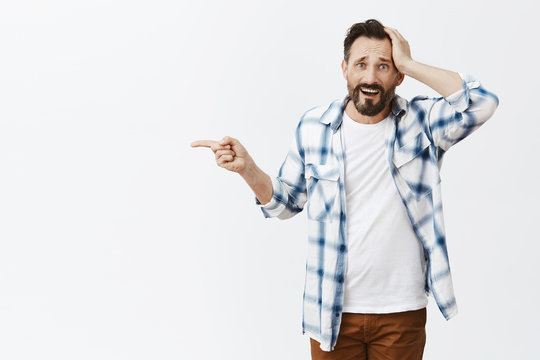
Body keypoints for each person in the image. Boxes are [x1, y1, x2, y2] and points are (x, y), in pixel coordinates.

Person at [191, 19, 498, 360]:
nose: (370, 77)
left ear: (398, 77)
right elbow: (285, 204)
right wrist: (247, 169)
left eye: (384, 66)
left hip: (401, 311)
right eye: (361, 65)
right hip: (330, 313)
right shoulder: (313, 127)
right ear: (344, 69)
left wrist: (410, 62)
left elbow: (481, 102)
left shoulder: (423, 123)